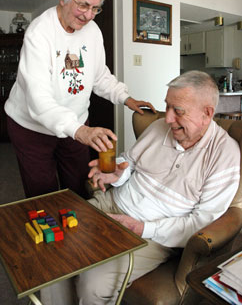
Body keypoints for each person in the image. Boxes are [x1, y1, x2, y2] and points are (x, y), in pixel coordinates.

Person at [73, 70, 240, 304]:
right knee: (58, 244)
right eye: (167, 106)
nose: (168, 118)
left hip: (153, 235)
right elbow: (128, 163)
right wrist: (117, 175)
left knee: (92, 283)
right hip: (113, 202)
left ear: (207, 113)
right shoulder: (159, 127)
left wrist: (143, 228)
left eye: (178, 111)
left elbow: (201, 222)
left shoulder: (224, 155)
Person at [4, 0, 155, 199]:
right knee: (42, 192)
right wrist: (81, 131)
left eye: (95, 8)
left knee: (78, 186)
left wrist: (125, 97)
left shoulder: (93, 31)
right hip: (31, 127)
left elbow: (99, 75)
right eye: (83, 4)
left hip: (75, 123)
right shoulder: (39, 33)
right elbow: (39, 99)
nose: (88, 15)